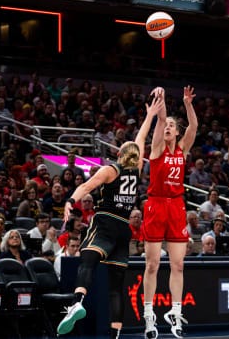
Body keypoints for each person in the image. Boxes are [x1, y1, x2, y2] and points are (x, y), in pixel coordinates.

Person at [57, 93, 162, 337]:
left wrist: (70, 201)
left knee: (87, 261)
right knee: (116, 288)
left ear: (118, 154)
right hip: (124, 229)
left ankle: (76, 304)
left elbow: (85, 187)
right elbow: (141, 138)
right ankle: (115, 335)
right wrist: (149, 116)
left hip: (105, 221)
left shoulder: (110, 170)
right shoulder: (136, 171)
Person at [142, 86, 198, 339]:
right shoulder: (156, 148)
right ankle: (149, 316)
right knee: (152, 265)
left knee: (178, 264)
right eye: (166, 125)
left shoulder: (182, 150)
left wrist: (187, 104)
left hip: (176, 206)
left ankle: (175, 314)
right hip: (155, 204)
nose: (167, 128)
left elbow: (194, 127)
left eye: (172, 126)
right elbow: (161, 118)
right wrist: (161, 98)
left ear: (177, 132)